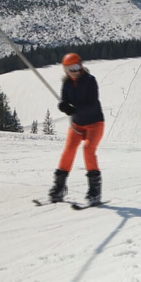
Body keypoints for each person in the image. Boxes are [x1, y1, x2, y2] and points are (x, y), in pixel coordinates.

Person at [48, 53, 105, 204]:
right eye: (69, 69)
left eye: (76, 67)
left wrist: (74, 109)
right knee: (69, 150)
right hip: (77, 125)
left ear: (81, 66)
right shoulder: (66, 84)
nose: (73, 71)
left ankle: (95, 191)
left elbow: (92, 104)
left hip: (95, 123)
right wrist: (63, 106)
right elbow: (65, 102)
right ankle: (59, 187)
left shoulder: (90, 81)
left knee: (88, 150)